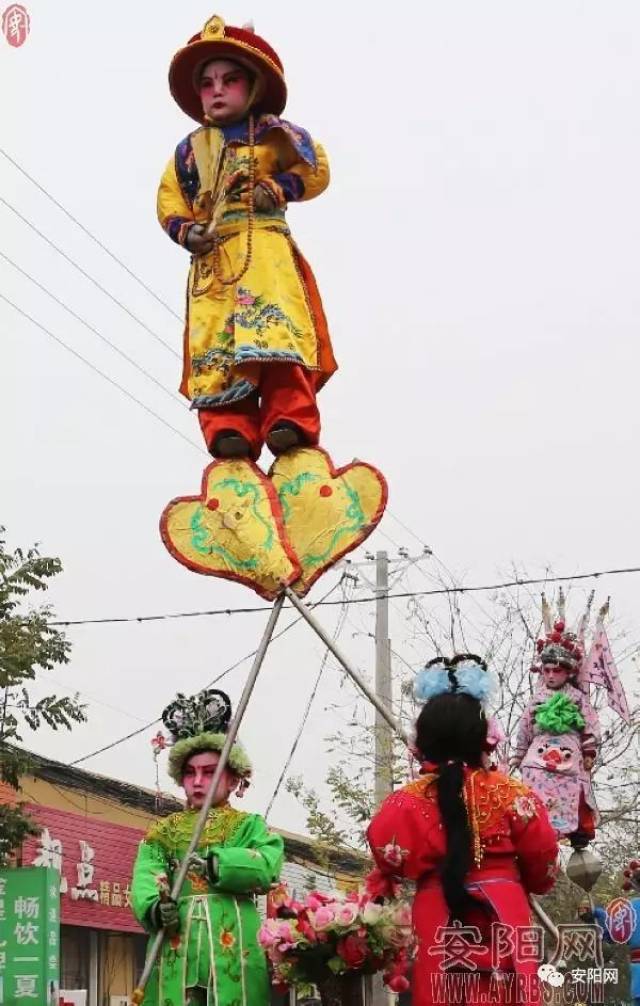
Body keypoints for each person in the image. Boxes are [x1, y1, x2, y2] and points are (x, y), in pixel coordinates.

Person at [158, 14, 337, 461]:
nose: (217, 89)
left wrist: (279, 187)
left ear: (252, 86)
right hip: (215, 265)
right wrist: (188, 230)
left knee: (276, 338)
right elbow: (169, 201)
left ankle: (288, 420)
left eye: (230, 79)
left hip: (265, 257)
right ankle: (228, 430)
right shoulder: (187, 152)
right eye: (208, 82)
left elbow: (315, 170)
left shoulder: (277, 135)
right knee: (215, 349)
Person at [367, 655, 560, 1006]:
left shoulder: (405, 802)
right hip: (505, 911)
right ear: (483, 736)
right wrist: (515, 878)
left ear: (424, 738)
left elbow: (387, 854)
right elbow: (544, 863)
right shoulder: (515, 795)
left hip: (437, 911)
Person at [131, 688, 284, 1006]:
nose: (198, 781)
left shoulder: (249, 826)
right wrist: (156, 908)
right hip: (177, 942)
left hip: (234, 942)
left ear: (232, 780)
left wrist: (219, 864)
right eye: (190, 772)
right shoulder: (163, 832)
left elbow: (267, 865)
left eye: (210, 772)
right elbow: (147, 876)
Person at [510, 608, 600, 849]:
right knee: (531, 793)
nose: (550, 675)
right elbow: (525, 728)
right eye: (546, 670)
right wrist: (519, 755)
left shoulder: (578, 698)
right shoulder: (537, 697)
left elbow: (589, 726)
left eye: (556, 670)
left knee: (573, 791)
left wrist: (589, 751)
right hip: (537, 757)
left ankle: (571, 835)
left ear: (568, 672)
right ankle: (531, 833)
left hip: (570, 757)